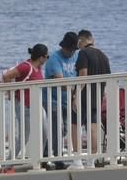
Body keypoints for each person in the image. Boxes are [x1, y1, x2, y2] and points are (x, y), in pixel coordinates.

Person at [69, 30, 111, 169]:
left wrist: (76, 95)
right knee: (93, 127)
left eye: (78, 44)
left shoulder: (83, 53)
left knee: (76, 126)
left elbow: (83, 74)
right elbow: (107, 78)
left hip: (84, 95)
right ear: (92, 39)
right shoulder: (104, 56)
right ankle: (91, 162)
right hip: (97, 96)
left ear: (81, 41)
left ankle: (77, 160)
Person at [0, 44, 49, 159]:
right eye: (47, 56)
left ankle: (40, 158)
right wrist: (9, 93)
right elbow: (7, 76)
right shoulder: (25, 67)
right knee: (24, 136)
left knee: (44, 132)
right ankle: (9, 160)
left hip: (36, 105)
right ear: (41, 57)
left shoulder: (38, 68)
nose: (47, 59)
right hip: (24, 105)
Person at [44, 32, 79, 166]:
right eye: (69, 49)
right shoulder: (54, 59)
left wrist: (75, 94)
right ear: (63, 47)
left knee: (64, 129)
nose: (71, 52)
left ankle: (46, 154)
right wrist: (75, 88)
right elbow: (61, 82)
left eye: (73, 49)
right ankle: (58, 160)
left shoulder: (76, 56)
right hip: (51, 99)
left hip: (69, 100)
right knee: (57, 128)